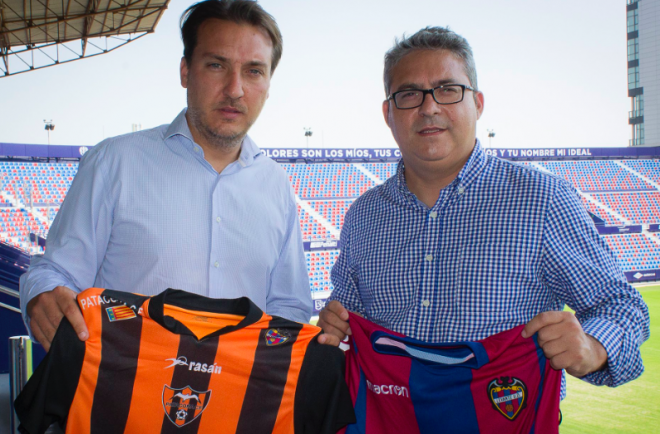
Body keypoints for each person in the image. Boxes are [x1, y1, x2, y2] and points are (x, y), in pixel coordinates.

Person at [318, 27, 650, 397]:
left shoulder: (541, 201)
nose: (429, 107)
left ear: (477, 103)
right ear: (388, 112)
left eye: (447, 89)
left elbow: (622, 306)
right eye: (409, 94)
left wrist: (593, 347)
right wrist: (335, 324)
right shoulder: (363, 216)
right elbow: (344, 318)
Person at [20, 0, 312, 352]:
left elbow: (289, 307)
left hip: (241, 403)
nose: (235, 89)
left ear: (268, 83)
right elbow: (54, 274)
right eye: (217, 65)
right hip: (126, 398)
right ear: (186, 71)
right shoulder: (115, 162)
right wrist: (43, 296)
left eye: (253, 71)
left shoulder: (276, 185)